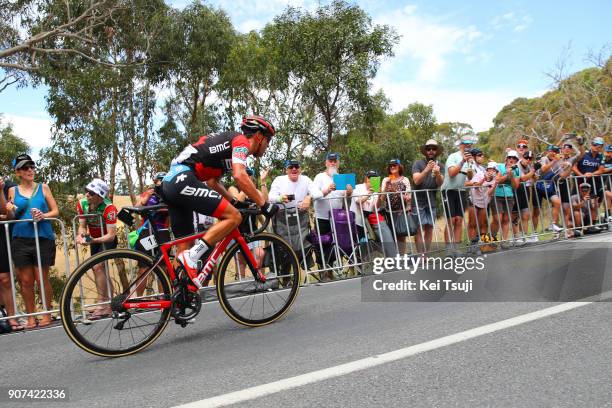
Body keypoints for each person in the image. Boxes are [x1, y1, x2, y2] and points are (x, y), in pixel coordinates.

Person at [161, 115, 279, 285]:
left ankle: (178, 295)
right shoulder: (241, 141)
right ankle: (193, 257)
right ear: (259, 136)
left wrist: (234, 202)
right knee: (234, 217)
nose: (267, 146)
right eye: (268, 140)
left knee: (183, 247)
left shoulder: (226, 151)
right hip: (183, 178)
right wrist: (264, 204)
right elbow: (239, 175)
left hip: (171, 182)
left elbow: (212, 182)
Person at [5, 154, 59, 329]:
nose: (30, 170)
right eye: (25, 168)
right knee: (26, 280)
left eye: (32, 167)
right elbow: (11, 215)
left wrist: (43, 215)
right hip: (20, 239)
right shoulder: (12, 191)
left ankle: (46, 313)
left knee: (41, 278)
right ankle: (30, 316)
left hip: (42, 237)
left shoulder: (44, 188)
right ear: (18, 172)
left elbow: (55, 211)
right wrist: (8, 209)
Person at [75, 178, 125, 318]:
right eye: (87, 191)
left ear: (100, 195)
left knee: (98, 267)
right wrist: (82, 235)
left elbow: (111, 235)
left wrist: (92, 240)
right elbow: (82, 225)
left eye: (91, 193)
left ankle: (102, 303)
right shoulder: (83, 203)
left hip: (106, 239)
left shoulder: (109, 208)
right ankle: (110, 302)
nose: (87, 195)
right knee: (97, 269)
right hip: (95, 239)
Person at [312, 153, 353, 279]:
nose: (333, 163)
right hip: (322, 217)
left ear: (338, 163)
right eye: (330, 161)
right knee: (322, 244)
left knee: (337, 243)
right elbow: (314, 194)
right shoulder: (319, 177)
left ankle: (334, 270)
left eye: (335, 161)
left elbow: (347, 197)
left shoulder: (342, 177)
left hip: (338, 218)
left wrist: (350, 192)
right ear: (326, 163)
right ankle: (324, 272)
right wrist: (328, 190)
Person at [440, 137, 474, 255]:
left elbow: (470, 177)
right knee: (451, 220)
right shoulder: (453, 156)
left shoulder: (471, 159)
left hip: (461, 191)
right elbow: (451, 174)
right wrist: (463, 161)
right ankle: (449, 250)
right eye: (465, 144)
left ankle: (456, 249)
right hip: (448, 190)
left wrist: (470, 172)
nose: (468, 146)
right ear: (460, 145)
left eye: (470, 144)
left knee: (459, 220)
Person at [412, 139, 444, 254]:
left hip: (431, 202)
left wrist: (438, 174)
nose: (431, 151)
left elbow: (440, 183)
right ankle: (421, 255)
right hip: (418, 202)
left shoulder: (440, 165)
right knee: (419, 230)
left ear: (437, 151)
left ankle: (425, 254)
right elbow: (416, 181)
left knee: (429, 228)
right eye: (428, 148)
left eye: (433, 148)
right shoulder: (418, 163)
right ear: (425, 151)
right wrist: (427, 170)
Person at [0, 173, 21, 331]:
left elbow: (10, 214)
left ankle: (12, 318)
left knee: (5, 278)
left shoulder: (7, 185)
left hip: (2, 234)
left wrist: (0, 191)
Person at [490, 150, 521, 248]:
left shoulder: (516, 169)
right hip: (497, 195)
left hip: (509, 196)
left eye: (514, 158)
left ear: (516, 160)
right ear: (506, 158)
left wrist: (511, 176)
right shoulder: (499, 166)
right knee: (497, 219)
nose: (512, 160)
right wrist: (507, 175)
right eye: (510, 158)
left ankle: (504, 241)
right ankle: (490, 240)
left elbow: (515, 186)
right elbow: (498, 180)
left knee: (506, 219)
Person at [382, 159, 412, 254]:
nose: (392, 167)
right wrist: (385, 189)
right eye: (390, 165)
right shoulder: (386, 180)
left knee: (401, 236)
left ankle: (402, 257)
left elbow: (408, 198)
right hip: (388, 212)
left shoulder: (405, 180)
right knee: (391, 236)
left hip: (401, 212)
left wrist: (396, 192)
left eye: (395, 165)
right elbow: (382, 198)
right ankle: (394, 258)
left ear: (399, 167)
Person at [573, 136, 606, 223]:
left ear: (601, 147)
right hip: (580, 183)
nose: (596, 147)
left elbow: (601, 170)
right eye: (595, 144)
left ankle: (592, 225)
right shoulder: (584, 153)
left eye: (599, 146)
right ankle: (578, 226)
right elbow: (574, 167)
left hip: (593, 184)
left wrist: (592, 174)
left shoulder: (601, 156)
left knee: (593, 205)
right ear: (591, 144)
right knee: (579, 204)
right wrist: (582, 175)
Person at [463, 148, 490, 254]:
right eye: (479, 155)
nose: (482, 157)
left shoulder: (483, 169)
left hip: (483, 198)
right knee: (472, 223)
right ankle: (472, 246)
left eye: (482, 155)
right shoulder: (469, 166)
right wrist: (476, 183)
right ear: (473, 157)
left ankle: (484, 244)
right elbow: (465, 183)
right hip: (472, 197)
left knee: (483, 223)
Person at [512, 150, 537, 245]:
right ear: (522, 157)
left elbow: (536, 179)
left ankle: (524, 236)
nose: (528, 160)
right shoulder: (517, 165)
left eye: (530, 159)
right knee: (515, 216)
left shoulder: (530, 166)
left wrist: (534, 173)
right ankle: (516, 237)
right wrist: (533, 171)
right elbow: (523, 178)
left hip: (525, 190)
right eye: (527, 158)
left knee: (526, 214)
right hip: (516, 190)